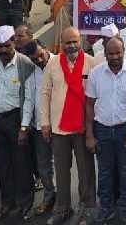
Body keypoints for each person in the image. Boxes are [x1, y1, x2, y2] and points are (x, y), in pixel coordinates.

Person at [85, 36, 126, 225]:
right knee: (104, 172)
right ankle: (106, 209)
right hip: (102, 129)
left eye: (118, 52)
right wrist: (89, 134)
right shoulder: (96, 73)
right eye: (110, 53)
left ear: (123, 51)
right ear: (105, 54)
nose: (114, 56)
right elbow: (89, 104)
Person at [39, 27, 96, 225]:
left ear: (80, 41)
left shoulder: (91, 62)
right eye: (67, 42)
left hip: (82, 127)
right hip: (58, 127)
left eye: (75, 41)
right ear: (61, 43)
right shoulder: (53, 63)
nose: (71, 46)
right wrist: (45, 123)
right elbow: (45, 93)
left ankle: (87, 208)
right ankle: (62, 209)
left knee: (86, 170)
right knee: (62, 171)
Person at [0, 26, 36, 220]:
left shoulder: (25, 64)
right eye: (0, 47)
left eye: (7, 46)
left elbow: (29, 98)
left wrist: (24, 127)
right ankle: (7, 203)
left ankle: (25, 204)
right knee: (3, 165)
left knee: (22, 164)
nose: (4, 51)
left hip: (16, 120)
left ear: (14, 42)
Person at [18, 40, 57, 217]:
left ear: (46, 49)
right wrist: (24, 127)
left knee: (64, 166)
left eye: (41, 55)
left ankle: (66, 202)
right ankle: (49, 197)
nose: (40, 60)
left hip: (61, 126)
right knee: (43, 166)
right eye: (34, 59)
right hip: (40, 127)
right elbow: (28, 102)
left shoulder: (60, 64)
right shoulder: (32, 74)